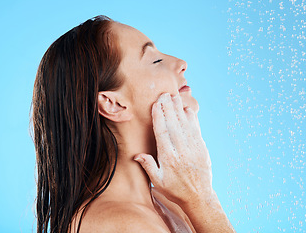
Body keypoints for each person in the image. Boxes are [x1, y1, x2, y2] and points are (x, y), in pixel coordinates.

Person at [32, 15, 235, 233]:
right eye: (155, 61)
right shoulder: (123, 224)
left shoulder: (168, 203)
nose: (181, 63)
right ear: (113, 104)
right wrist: (203, 199)